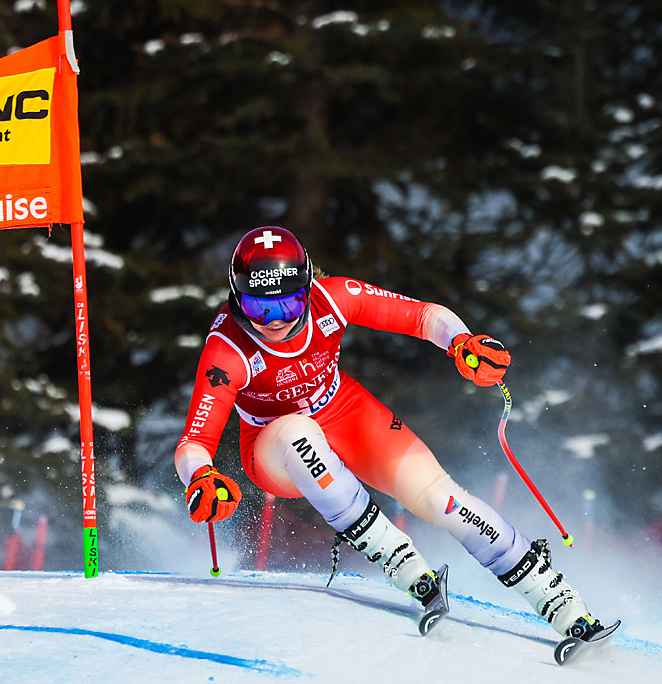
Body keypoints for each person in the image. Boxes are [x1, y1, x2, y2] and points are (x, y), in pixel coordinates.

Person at [174, 226, 605, 641]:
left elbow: (421, 316)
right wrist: (201, 478)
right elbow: (195, 441)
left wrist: (462, 342)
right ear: (236, 300)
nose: (273, 323)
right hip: (271, 446)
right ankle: (402, 562)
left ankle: (561, 602)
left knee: (442, 498)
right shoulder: (226, 350)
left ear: (307, 290)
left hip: (345, 410)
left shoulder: (334, 298)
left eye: (286, 307)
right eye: (258, 308)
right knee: (296, 432)